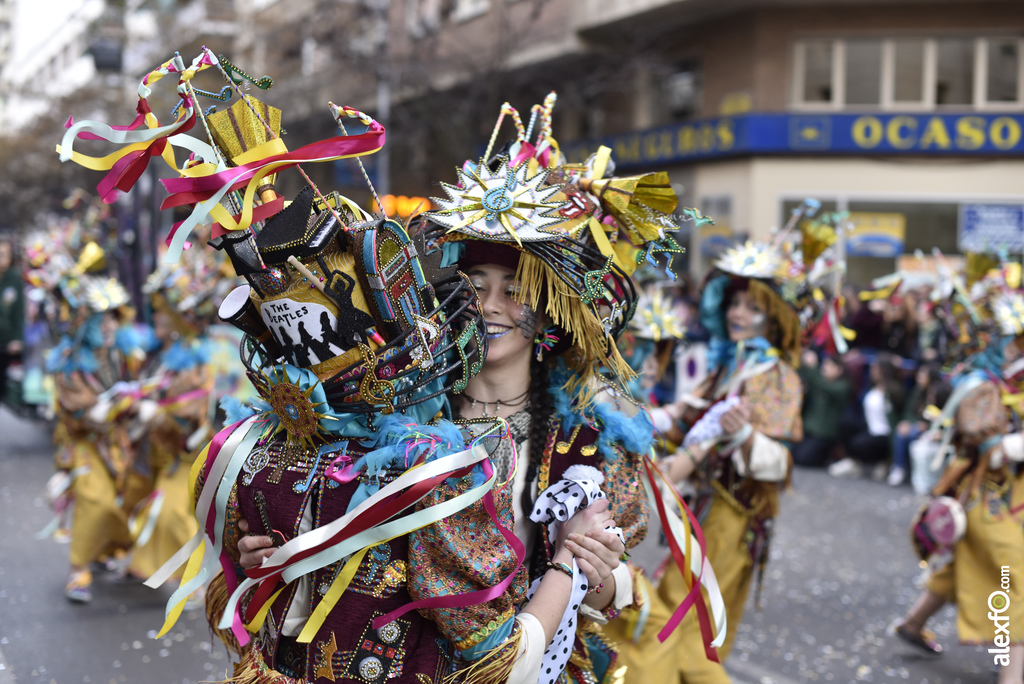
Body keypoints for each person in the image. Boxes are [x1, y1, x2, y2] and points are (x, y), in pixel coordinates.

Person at [829, 353, 905, 480]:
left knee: (859, 443)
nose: (873, 371)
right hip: (869, 429)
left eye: (876, 368)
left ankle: (883, 462)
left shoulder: (894, 391)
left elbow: (900, 412)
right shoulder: (870, 388)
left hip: (884, 434)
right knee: (845, 423)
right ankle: (853, 461)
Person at [887, 362, 943, 487]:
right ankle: (899, 467)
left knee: (912, 435)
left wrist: (926, 425)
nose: (919, 375)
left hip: (931, 429)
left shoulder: (937, 391)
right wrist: (909, 422)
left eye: (923, 373)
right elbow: (909, 411)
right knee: (901, 433)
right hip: (916, 425)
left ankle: (912, 471)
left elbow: (940, 415)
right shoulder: (917, 391)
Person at [792, 349, 850, 468]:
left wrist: (813, 367)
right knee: (793, 456)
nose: (825, 367)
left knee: (804, 459)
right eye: (824, 364)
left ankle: (826, 457)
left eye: (829, 365)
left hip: (824, 435)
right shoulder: (818, 381)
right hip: (808, 431)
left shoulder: (842, 386)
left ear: (839, 370)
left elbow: (822, 385)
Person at [0, 238, 25, 405]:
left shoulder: (14, 280)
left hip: (5, 340)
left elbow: (18, 312)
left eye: (3, 255)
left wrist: (17, 338)